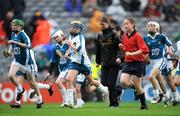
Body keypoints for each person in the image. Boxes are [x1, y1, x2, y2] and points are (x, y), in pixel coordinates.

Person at [64, 20, 109, 108]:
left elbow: (79, 50)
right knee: (69, 79)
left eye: (73, 27)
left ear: (78, 29)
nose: (71, 28)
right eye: (71, 26)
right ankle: (70, 101)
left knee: (91, 82)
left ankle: (104, 89)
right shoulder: (71, 37)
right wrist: (67, 52)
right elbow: (71, 47)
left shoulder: (80, 38)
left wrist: (71, 45)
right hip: (75, 63)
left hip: (83, 64)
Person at [3, 19, 43, 108]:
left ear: (20, 27)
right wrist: (9, 52)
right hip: (17, 61)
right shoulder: (13, 34)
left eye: (15, 25)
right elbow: (12, 45)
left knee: (32, 83)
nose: (13, 26)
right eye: (12, 25)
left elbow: (29, 45)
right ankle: (20, 89)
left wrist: (15, 42)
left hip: (27, 63)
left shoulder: (23, 35)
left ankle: (40, 98)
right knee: (10, 75)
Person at [119, 17, 149, 110]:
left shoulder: (137, 36)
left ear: (133, 24)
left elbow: (144, 50)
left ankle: (144, 105)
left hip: (138, 63)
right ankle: (136, 88)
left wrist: (131, 53)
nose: (125, 26)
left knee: (137, 84)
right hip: (128, 62)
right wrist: (122, 47)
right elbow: (126, 49)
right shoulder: (124, 35)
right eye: (124, 24)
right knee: (123, 81)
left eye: (127, 24)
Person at [144, 21, 172, 106]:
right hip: (152, 61)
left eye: (152, 26)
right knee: (160, 80)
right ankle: (167, 96)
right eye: (149, 26)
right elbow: (145, 50)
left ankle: (157, 95)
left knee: (151, 77)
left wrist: (169, 50)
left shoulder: (161, 36)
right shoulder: (146, 38)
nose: (150, 27)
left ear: (157, 28)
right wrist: (146, 57)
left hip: (161, 60)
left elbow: (169, 44)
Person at [96, 15, 121, 108]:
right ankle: (118, 91)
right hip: (104, 63)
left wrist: (120, 58)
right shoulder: (99, 36)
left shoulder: (114, 34)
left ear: (108, 24)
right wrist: (98, 62)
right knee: (103, 83)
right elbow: (98, 50)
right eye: (100, 24)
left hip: (114, 63)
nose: (101, 26)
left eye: (103, 24)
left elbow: (121, 47)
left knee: (111, 84)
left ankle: (114, 103)